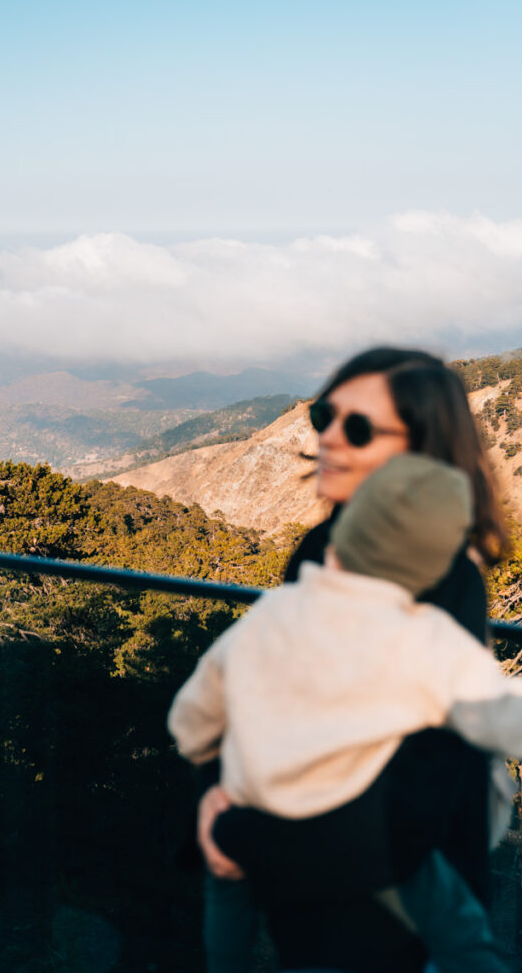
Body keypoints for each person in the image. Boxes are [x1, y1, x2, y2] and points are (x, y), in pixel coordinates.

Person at [194, 346, 508, 972]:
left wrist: (241, 829)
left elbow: (418, 778)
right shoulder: (321, 546)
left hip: (387, 918)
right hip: (316, 887)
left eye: (358, 428)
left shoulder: (444, 578)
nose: (330, 436)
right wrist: (218, 794)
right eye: (327, 415)